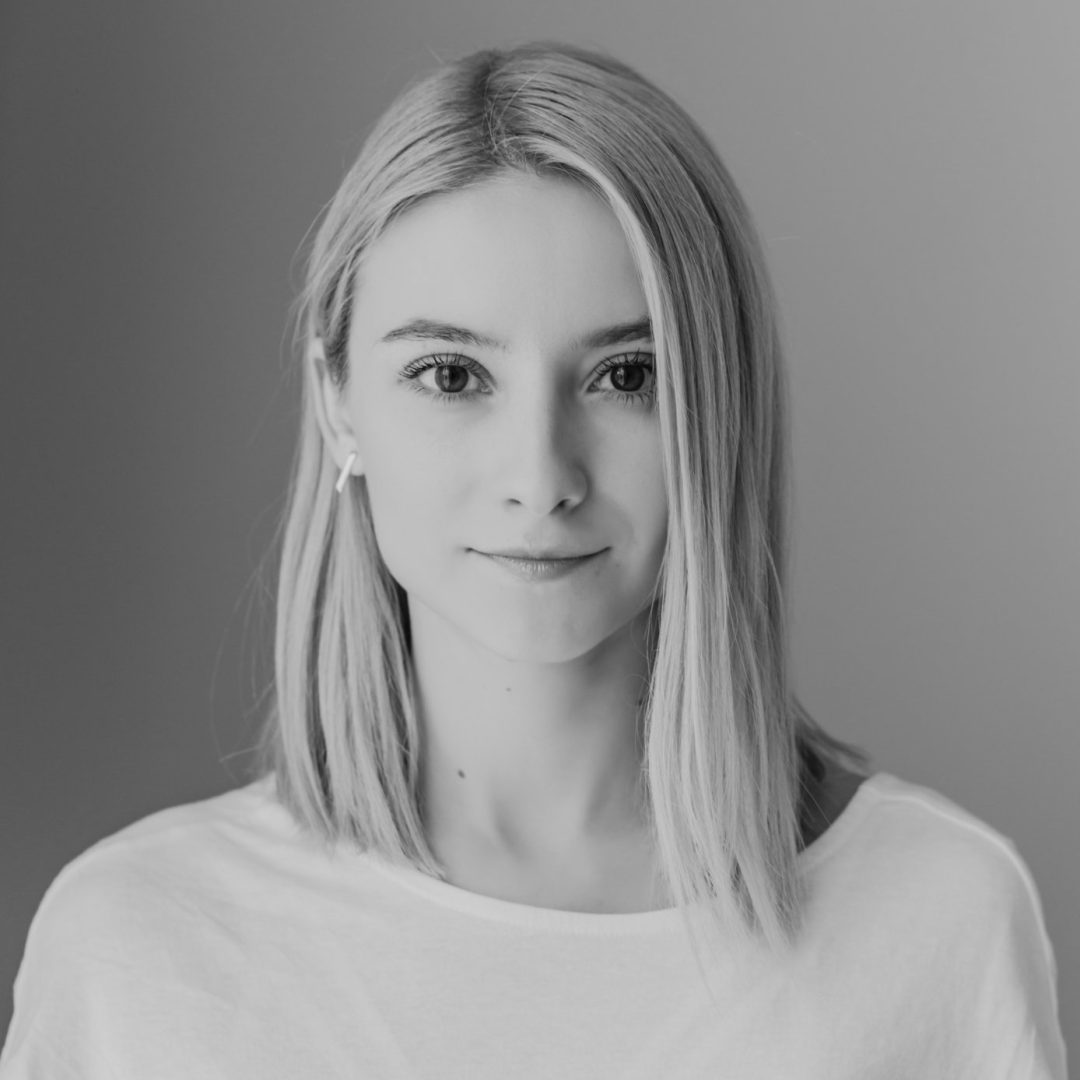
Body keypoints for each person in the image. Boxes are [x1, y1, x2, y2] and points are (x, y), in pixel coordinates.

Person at [0, 42, 1066, 1078]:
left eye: (627, 376)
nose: (541, 477)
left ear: (722, 409)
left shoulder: (938, 917)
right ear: (338, 402)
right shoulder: (136, 952)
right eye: (452, 375)